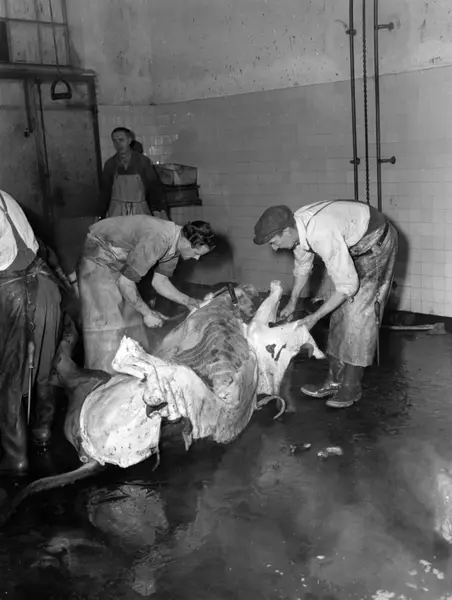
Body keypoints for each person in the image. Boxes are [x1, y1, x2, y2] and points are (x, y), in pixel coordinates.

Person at [253, 200, 398, 409]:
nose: (274, 248)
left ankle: (351, 386)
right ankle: (334, 380)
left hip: (375, 242)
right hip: (353, 243)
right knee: (339, 310)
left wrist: (315, 317)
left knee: (358, 315)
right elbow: (303, 267)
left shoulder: (320, 234)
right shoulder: (298, 229)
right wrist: (292, 302)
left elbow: (347, 286)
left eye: (274, 242)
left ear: (286, 231)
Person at [77, 216, 217, 374]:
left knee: (133, 323)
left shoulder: (175, 243)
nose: (197, 258)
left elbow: (160, 282)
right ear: (185, 242)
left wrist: (189, 301)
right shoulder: (159, 239)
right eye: (196, 252)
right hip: (99, 258)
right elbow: (125, 282)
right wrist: (147, 313)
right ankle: (104, 378)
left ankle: (136, 376)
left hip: (120, 262)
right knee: (109, 325)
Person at [0, 190, 62, 475]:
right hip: (45, 283)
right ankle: (42, 431)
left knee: (9, 374)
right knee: (45, 366)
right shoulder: (5, 196)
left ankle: (16, 459)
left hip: (10, 290)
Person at [101, 127, 168, 219]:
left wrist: (159, 210)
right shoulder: (110, 164)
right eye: (115, 141)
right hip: (116, 212)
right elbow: (105, 192)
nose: (118, 144)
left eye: (121, 140)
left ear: (129, 140)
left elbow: (153, 188)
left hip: (139, 211)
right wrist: (100, 214)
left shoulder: (143, 162)